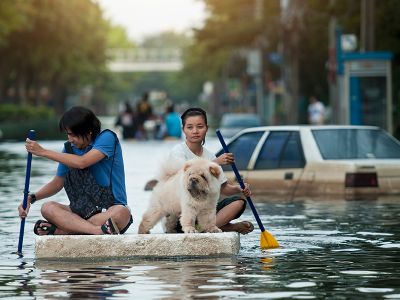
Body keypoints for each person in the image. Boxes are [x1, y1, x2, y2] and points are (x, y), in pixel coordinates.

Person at [18, 106, 133, 235]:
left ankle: (65, 230)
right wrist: (31, 198)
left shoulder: (107, 138)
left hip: (109, 211)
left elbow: (82, 162)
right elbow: (57, 183)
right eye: (68, 134)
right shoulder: (68, 150)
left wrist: (43, 152)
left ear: (88, 131)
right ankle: (96, 231)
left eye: (73, 134)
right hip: (82, 214)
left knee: (122, 213)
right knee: (47, 208)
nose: (70, 139)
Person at [168, 107, 254, 234]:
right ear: (183, 130)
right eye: (190, 127)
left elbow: (223, 188)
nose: (195, 131)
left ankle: (206, 228)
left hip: (204, 212)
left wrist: (238, 189)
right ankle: (225, 227)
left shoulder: (210, 156)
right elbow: (183, 177)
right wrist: (215, 163)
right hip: (183, 212)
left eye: (200, 126)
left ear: (206, 129)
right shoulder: (178, 152)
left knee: (238, 203)